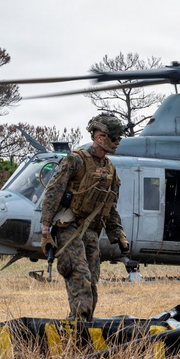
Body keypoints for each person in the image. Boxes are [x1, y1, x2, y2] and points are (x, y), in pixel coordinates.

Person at [40, 112, 130, 320]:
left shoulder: (110, 169)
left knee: (91, 280)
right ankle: (78, 324)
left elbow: (110, 205)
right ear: (100, 137)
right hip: (68, 226)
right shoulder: (75, 160)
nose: (118, 142)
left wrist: (118, 234)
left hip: (90, 231)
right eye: (115, 137)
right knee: (78, 275)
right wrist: (45, 231)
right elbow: (53, 193)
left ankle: (85, 323)